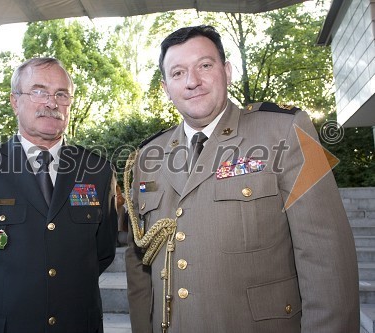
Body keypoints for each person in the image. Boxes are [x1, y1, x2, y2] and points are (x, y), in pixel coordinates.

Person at [125, 25, 359, 333]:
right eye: (178, 73)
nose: (192, 81)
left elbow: (328, 261)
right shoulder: (147, 156)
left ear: (227, 71)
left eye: (204, 66)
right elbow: (139, 265)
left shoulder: (289, 130)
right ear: (166, 88)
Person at [0, 57, 118, 333]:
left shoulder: (98, 171)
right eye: (38, 91)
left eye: (61, 94)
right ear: (15, 101)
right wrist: (1, 303)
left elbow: (102, 252)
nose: (51, 102)